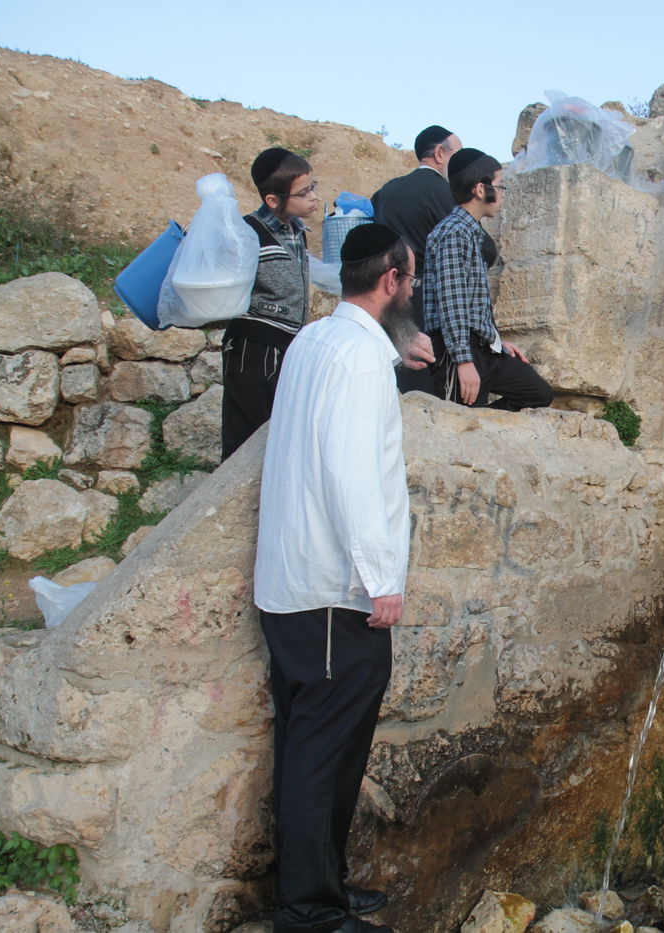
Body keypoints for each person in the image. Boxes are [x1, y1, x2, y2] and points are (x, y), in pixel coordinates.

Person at [254, 222, 425, 933]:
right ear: (391, 277)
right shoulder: (359, 358)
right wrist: (382, 578)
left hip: (299, 582)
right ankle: (307, 912)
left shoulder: (314, 341)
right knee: (322, 754)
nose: (412, 288)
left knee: (318, 744)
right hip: (335, 590)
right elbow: (353, 474)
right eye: (410, 277)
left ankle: (320, 881)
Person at [423, 148, 553, 410]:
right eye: (500, 186)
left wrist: (495, 341)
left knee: (537, 393)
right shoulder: (454, 232)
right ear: (480, 190)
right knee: (459, 422)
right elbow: (452, 301)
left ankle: (484, 424)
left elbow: (471, 301)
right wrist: (463, 360)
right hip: (457, 349)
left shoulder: (471, 232)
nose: (502, 194)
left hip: (482, 347)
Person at [221, 148, 320, 460]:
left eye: (313, 187)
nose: (313, 197)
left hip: (286, 345)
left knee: (280, 442)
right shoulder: (248, 234)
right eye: (303, 193)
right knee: (247, 443)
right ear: (273, 200)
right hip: (254, 348)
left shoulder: (297, 232)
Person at [371, 125, 463, 395]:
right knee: (422, 382)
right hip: (424, 297)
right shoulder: (443, 192)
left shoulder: (386, 191)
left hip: (386, 295)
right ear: (439, 152)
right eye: (458, 153)